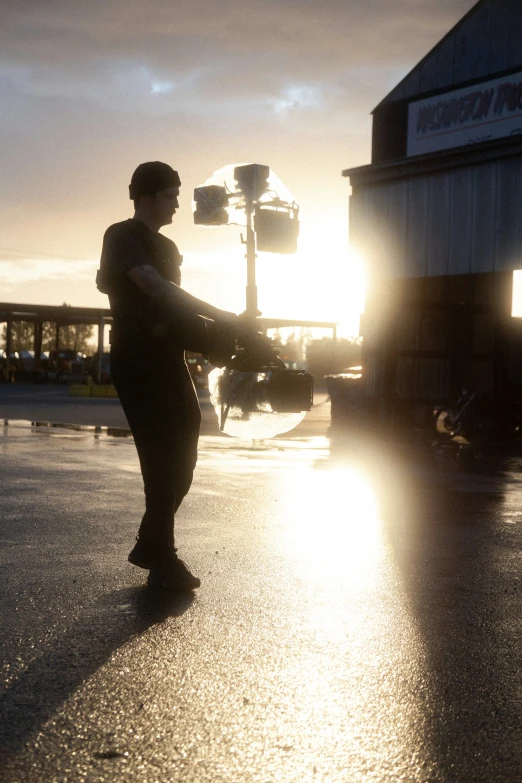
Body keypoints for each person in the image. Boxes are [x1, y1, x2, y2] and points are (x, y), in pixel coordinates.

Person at [96, 161, 267, 591]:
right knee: (160, 457)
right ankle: (162, 557)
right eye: (170, 195)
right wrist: (222, 316)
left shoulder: (169, 248)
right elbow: (153, 287)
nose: (176, 203)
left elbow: (175, 308)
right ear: (147, 197)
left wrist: (220, 333)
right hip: (138, 360)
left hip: (168, 357)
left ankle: (151, 543)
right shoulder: (122, 235)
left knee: (184, 454)